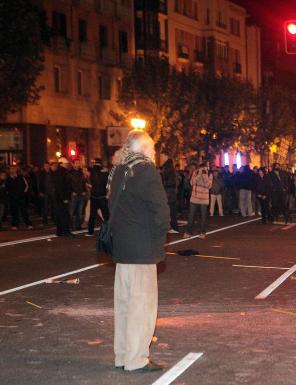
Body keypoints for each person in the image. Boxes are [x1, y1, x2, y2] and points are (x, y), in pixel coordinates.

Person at [109, 130, 169, 373]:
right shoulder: (145, 170)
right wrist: (162, 235)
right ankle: (137, 359)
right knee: (142, 307)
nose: (154, 154)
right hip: (142, 248)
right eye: (152, 149)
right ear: (143, 149)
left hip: (122, 248)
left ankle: (122, 355)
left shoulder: (119, 170)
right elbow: (161, 210)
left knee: (123, 305)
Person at [185, 162, 212, 238]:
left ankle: (202, 232)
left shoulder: (209, 174)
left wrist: (204, 176)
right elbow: (192, 183)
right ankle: (188, 232)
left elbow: (209, 186)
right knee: (191, 216)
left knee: (203, 217)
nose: (202, 170)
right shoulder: (196, 172)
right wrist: (199, 174)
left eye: (204, 168)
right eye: (201, 168)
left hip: (204, 200)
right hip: (194, 199)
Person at [86, 159, 110, 236]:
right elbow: (107, 185)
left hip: (95, 196)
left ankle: (90, 231)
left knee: (92, 215)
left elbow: (92, 183)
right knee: (106, 215)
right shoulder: (105, 173)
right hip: (102, 196)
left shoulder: (93, 173)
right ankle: (109, 230)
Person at [53, 158, 72, 236]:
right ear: (62, 164)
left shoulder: (57, 172)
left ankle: (59, 231)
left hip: (58, 197)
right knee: (64, 214)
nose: (67, 165)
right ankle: (66, 231)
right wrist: (65, 198)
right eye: (65, 164)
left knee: (59, 214)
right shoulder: (63, 172)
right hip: (63, 198)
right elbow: (63, 186)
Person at [161, 159, 180, 233]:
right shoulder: (173, 170)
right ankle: (173, 227)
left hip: (168, 192)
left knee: (169, 210)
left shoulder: (168, 170)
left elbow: (164, 178)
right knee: (172, 210)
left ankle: (172, 227)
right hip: (172, 192)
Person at [68, 159, 87, 230]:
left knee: (80, 211)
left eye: (78, 163)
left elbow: (84, 182)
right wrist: (72, 191)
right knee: (71, 211)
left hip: (81, 194)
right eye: (76, 163)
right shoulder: (69, 172)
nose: (78, 164)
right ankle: (70, 225)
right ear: (73, 164)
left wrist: (84, 190)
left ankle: (78, 225)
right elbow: (68, 184)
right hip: (74, 194)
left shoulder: (81, 172)